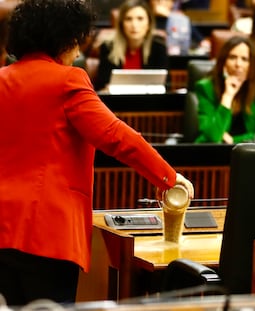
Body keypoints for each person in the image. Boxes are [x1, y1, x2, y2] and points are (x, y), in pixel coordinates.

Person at [0, 0, 194, 306]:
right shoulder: (67, 80)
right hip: (46, 231)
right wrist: (168, 177)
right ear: (62, 39)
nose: (78, 53)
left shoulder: (2, 80)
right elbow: (115, 136)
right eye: (76, 42)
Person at [194, 36, 255, 144]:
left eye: (244, 59)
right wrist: (227, 96)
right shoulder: (206, 87)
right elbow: (212, 138)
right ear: (223, 62)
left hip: (251, 154)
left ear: (251, 65)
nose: (238, 64)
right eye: (232, 57)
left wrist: (235, 141)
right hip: (214, 155)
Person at [94, 0, 168, 91]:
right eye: (128, 19)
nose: (134, 25)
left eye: (140, 19)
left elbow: (166, 84)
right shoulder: (108, 47)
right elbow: (103, 84)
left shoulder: (158, 46)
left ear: (149, 23)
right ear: (121, 24)